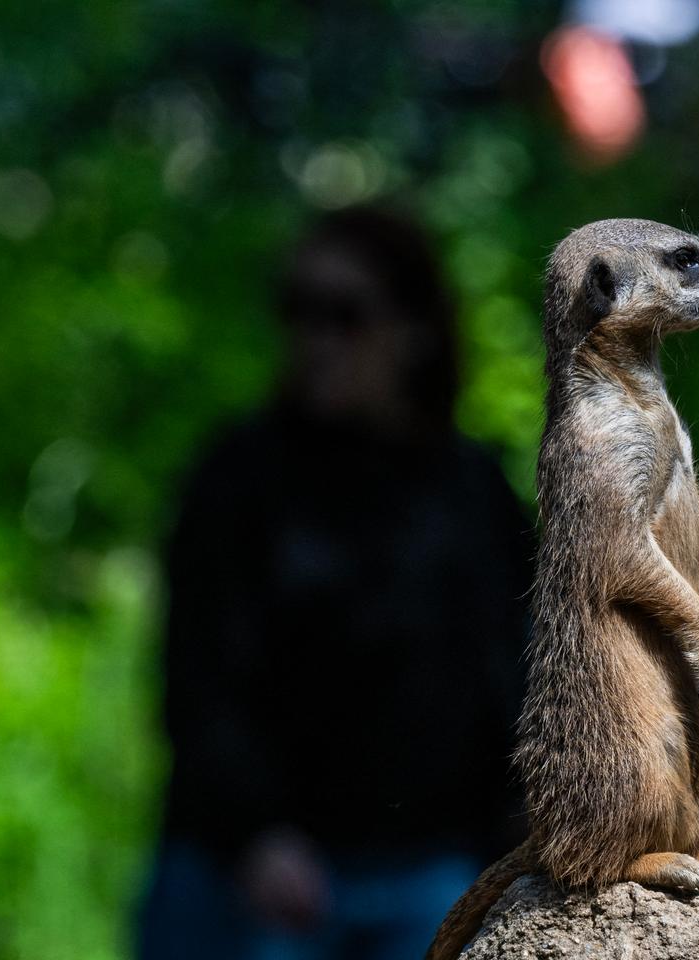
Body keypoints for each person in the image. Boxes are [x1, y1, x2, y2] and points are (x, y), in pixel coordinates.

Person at [138, 206, 532, 960]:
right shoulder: (238, 477)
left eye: (345, 315)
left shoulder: (472, 489)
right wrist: (251, 834)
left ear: (414, 329)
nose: (315, 340)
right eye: (298, 311)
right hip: (250, 873)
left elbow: (513, 672)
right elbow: (197, 677)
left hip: (430, 869)